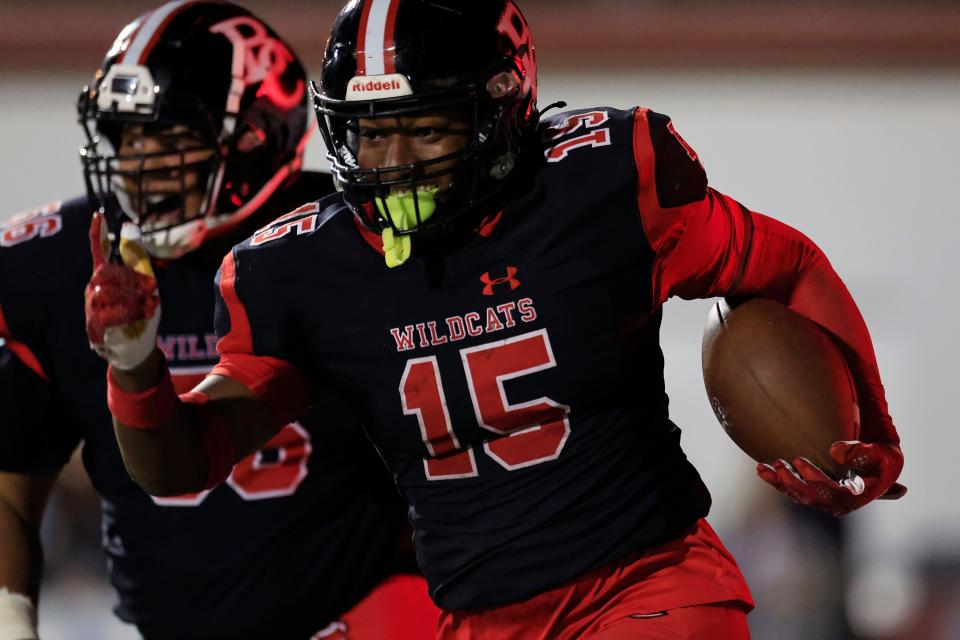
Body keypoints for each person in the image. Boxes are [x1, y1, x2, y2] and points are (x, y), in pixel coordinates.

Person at [88, 1, 907, 638]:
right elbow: (183, 464)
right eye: (369, 133)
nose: (392, 161)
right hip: (477, 620)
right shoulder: (298, 268)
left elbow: (786, 263)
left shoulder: (605, 182)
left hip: (650, 586)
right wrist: (134, 365)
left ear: (502, 107)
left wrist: (871, 426)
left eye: (422, 125)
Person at [0, 2, 439, 639]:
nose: (138, 165)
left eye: (172, 137)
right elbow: (11, 488)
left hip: (375, 611)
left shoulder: (351, 240)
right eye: (125, 136)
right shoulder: (59, 263)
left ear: (258, 133)